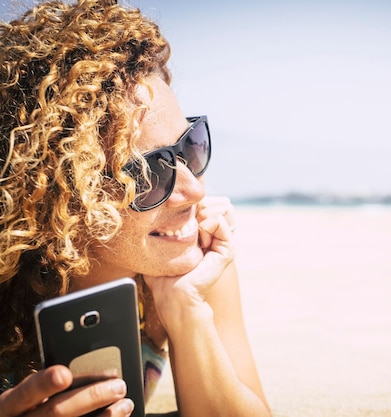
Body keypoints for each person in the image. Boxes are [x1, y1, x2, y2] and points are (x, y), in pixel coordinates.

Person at [0, 1, 271, 416]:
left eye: (190, 147)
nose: (194, 190)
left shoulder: (192, 258)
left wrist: (186, 311)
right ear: (63, 190)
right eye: (146, 174)